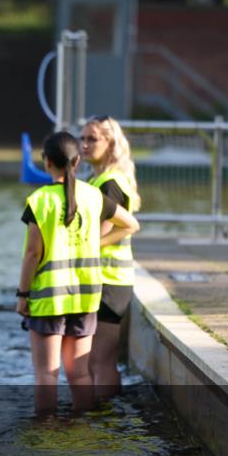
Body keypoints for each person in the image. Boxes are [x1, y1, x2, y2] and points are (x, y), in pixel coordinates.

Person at [16, 131, 138, 414]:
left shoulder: (40, 200)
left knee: (47, 375)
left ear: (46, 162)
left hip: (49, 299)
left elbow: (32, 254)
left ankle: (45, 432)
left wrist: (22, 295)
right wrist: (95, 243)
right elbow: (130, 223)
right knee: (80, 374)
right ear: (77, 161)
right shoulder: (93, 196)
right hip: (85, 298)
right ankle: (83, 430)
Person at [81, 116, 141, 399]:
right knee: (96, 361)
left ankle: (106, 423)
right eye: (82, 139)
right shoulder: (99, 178)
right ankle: (104, 422)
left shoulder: (110, 183)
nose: (84, 145)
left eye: (92, 139)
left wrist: (86, 248)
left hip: (110, 282)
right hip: (105, 280)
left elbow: (106, 231)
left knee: (99, 360)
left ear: (111, 142)